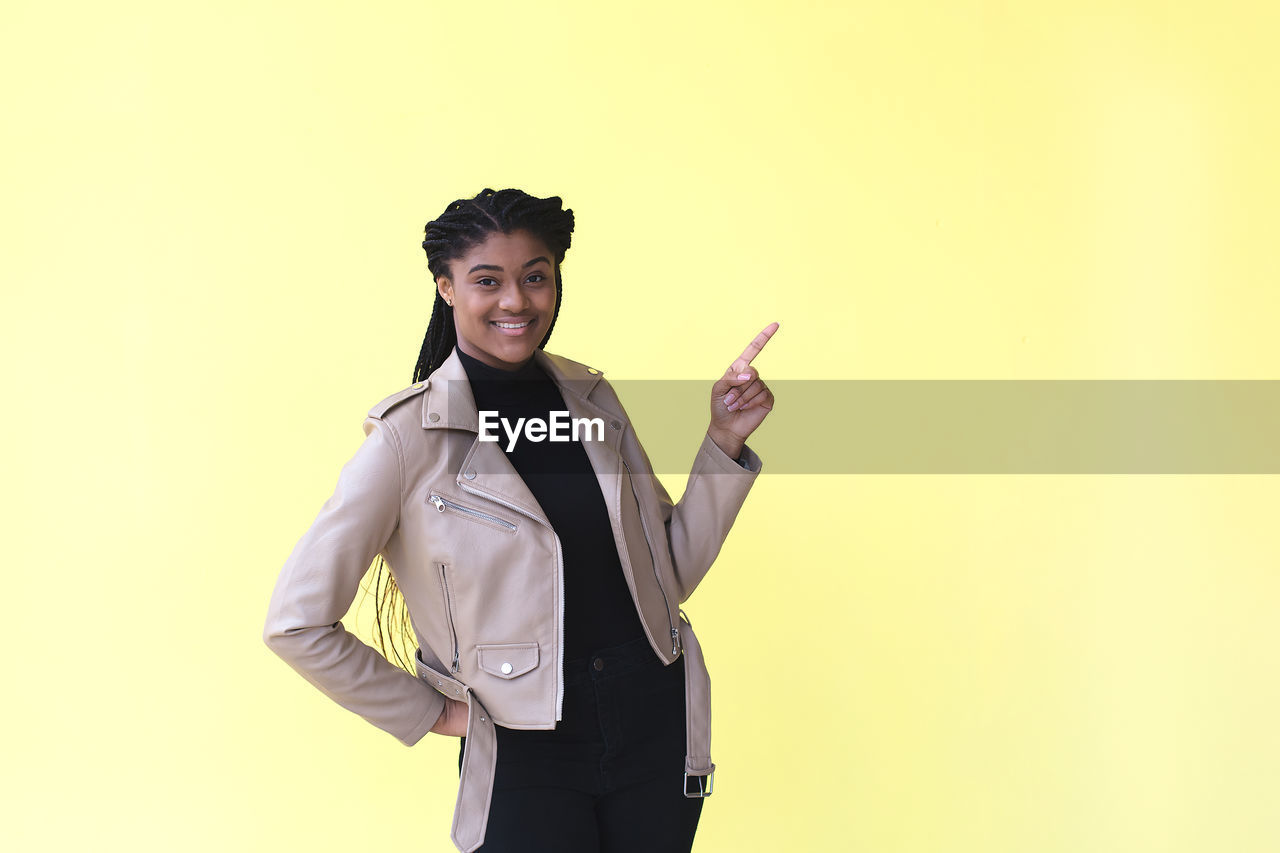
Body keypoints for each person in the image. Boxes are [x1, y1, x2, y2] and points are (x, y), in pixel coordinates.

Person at [262, 187, 777, 852]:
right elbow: (295, 620)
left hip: (654, 720)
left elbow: (666, 574)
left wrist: (724, 441)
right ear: (446, 287)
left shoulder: (591, 399)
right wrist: (429, 712)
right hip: (525, 750)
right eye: (488, 280)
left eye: (536, 277)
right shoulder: (406, 437)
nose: (516, 301)